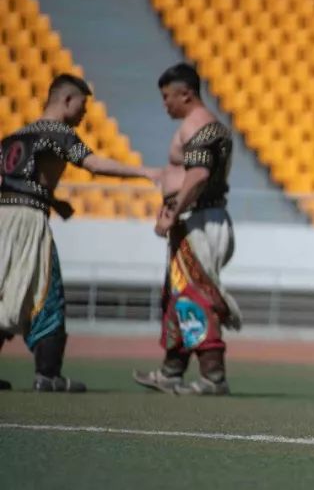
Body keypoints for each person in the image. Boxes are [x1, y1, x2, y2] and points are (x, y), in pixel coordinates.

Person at [0, 74, 160, 392]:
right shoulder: (58, 132)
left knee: (3, 290)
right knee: (46, 293)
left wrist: (54, 202)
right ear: (67, 101)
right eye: (83, 106)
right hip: (28, 224)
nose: (85, 114)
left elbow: (18, 182)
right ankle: (48, 375)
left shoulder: (14, 137)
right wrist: (144, 171)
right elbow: (94, 164)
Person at [133, 63, 241, 395]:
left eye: (167, 97)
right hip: (201, 219)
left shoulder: (197, 126)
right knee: (177, 296)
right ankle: (171, 371)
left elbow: (198, 175)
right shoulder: (211, 126)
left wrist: (172, 213)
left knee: (194, 296)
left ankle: (213, 377)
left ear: (186, 94)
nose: (165, 104)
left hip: (197, 221)